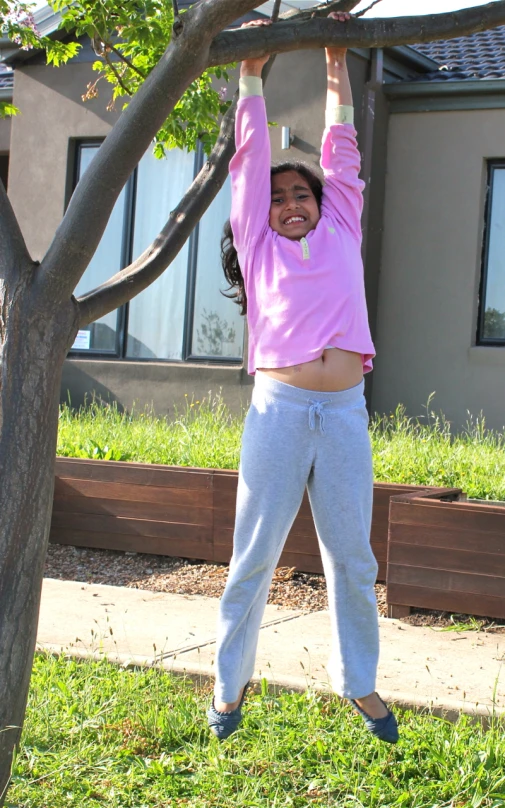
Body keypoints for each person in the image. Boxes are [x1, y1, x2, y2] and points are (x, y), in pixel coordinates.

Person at [207, 12, 398, 744]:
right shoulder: (257, 244)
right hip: (280, 413)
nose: (290, 204)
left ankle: (357, 682)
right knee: (251, 558)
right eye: (280, 197)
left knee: (352, 558)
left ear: (323, 203)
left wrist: (331, 57)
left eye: (302, 195)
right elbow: (248, 159)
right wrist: (249, 73)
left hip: (345, 414)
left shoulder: (343, 224)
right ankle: (230, 684)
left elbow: (341, 143)